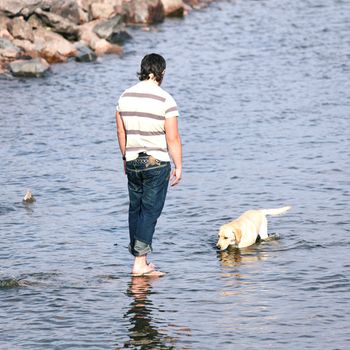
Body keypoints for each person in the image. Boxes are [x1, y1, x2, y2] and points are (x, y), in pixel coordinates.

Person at [116, 53, 182, 276]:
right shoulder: (165, 99)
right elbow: (172, 137)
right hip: (156, 161)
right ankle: (140, 264)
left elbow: (120, 131)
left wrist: (125, 157)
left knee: (135, 209)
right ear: (162, 73)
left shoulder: (124, 96)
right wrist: (179, 165)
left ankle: (139, 259)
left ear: (143, 70)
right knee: (150, 211)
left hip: (133, 160)